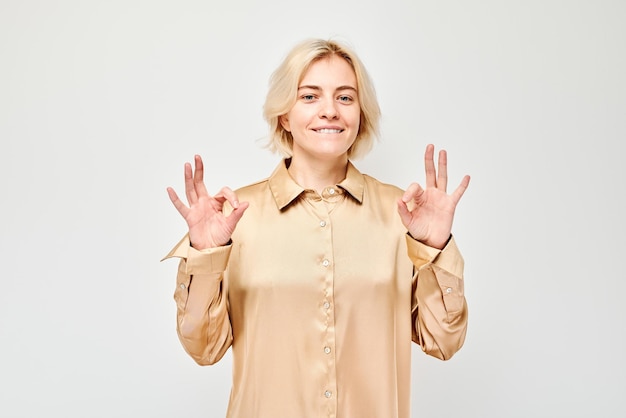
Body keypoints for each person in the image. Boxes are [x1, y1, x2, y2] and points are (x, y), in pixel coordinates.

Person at [163, 38, 470, 418]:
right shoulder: (234, 218)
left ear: (361, 115)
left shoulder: (403, 214)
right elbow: (203, 349)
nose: (330, 111)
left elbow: (444, 340)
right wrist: (205, 256)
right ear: (284, 116)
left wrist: (435, 248)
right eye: (309, 97)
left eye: (345, 98)